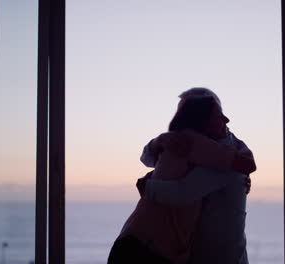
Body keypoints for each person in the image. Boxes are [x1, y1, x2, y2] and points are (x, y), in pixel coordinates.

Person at [108, 96, 255, 264]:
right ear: (202, 122)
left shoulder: (178, 144)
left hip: (136, 241)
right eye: (217, 114)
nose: (226, 119)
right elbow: (246, 164)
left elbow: (147, 157)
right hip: (149, 250)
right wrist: (146, 186)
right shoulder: (194, 144)